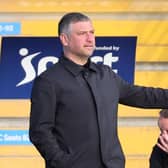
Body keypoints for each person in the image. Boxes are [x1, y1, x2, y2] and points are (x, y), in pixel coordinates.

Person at [29, 12, 168, 168]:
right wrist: (64, 163)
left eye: (92, 32)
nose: (90, 39)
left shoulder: (106, 75)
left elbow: (144, 96)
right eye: (82, 34)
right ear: (64, 39)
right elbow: (40, 132)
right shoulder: (48, 81)